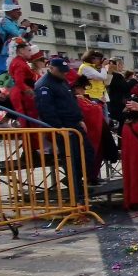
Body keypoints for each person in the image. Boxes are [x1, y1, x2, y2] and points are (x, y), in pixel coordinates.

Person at [34, 58, 92, 193]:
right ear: (51, 68)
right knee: (71, 158)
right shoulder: (44, 85)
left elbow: (71, 101)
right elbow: (46, 109)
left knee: (87, 154)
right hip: (63, 127)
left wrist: (80, 119)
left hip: (74, 124)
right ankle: (75, 189)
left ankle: (77, 182)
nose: (64, 74)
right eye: (61, 71)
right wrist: (58, 127)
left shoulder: (62, 81)